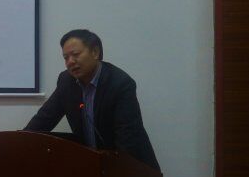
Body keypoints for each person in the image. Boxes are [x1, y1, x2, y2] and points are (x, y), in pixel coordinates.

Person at [24, 29, 160, 169]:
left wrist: (114, 172)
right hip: (94, 166)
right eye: (66, 57)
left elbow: (127, 139)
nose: (70, 62)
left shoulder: (120, 84)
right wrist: (20, 143)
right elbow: (44, 118)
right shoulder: (66, 81)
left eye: (75, 54)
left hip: (133, 168)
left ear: (95, 52)